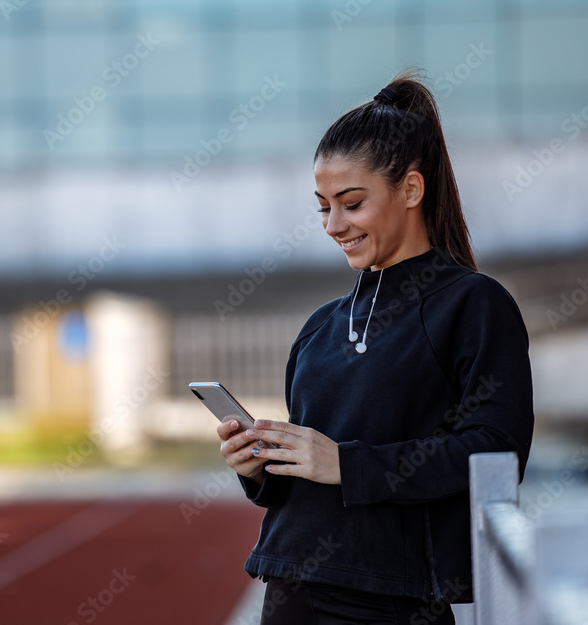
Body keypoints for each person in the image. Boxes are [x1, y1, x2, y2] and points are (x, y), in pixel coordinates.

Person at [217, 71, 535, 625]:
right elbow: (314, 472)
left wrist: (346, 463)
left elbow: (495, 454)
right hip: (288, 585)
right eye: (322, 207)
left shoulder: (473, 304)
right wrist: (262, 468)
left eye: (352, 203)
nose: (334, 225)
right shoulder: (321, 326)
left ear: (410, 190)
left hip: (393, 599)